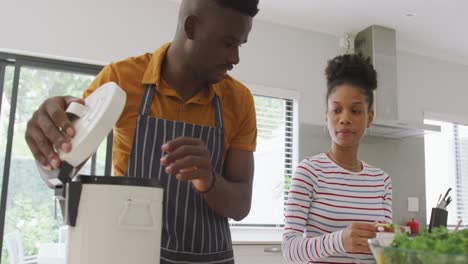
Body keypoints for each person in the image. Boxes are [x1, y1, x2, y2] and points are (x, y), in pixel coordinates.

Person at [24, 0, 259, 263]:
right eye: (228, 43)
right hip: (130, 253)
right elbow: (59, 172)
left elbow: (241, 206)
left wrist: (209, 180)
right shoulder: (120, 80)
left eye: (239, 45)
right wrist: (47, 146)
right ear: (191, 27)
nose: (235, 58)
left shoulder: (239, 100)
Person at [282, 54, 393, 263]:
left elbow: (384, 249)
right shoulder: (309, 172)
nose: (345, 119)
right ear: (327, 116)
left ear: (369, 118)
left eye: (356, 111)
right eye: (337, 110)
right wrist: (339, 240)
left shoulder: (382, 181)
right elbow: (290, 248)